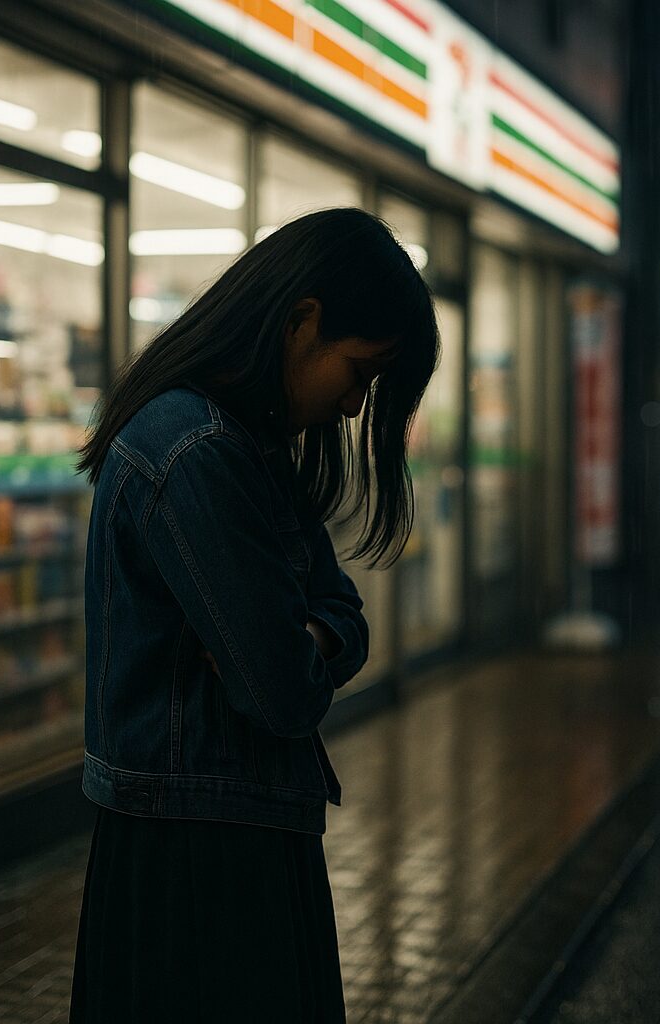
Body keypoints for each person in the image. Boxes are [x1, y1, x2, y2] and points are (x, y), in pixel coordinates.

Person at [67, 207, 439, 1022]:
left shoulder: (245, 443)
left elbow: (344, 613)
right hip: (201, 858)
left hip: (221, 831)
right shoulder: (198, 452)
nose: (355, 406)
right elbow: (284, 692)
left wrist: (311, 632)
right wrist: (302, 641)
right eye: (360, 372)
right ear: (302, 322)